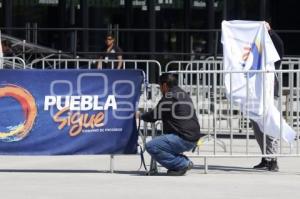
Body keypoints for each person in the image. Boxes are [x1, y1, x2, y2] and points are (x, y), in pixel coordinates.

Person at [138, 73, 202, 176]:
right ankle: (180, 164)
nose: (160, 90)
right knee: (161, 143)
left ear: (164, 85)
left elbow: (154, 115)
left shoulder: (170, 96)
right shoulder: (182, 93)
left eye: (160, 87)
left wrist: (140, 116)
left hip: (184, 137)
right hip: (191, 135)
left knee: (152, 146)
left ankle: (183, 164)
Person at [252, 22, 284, 172]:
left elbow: (280, 44)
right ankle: (266, 157)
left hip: (270, 93)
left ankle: (273, 159)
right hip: (255, 95)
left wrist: (270, 31)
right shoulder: (254, 57)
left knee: (269, 124)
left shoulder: (273, 58)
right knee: (257, 126)